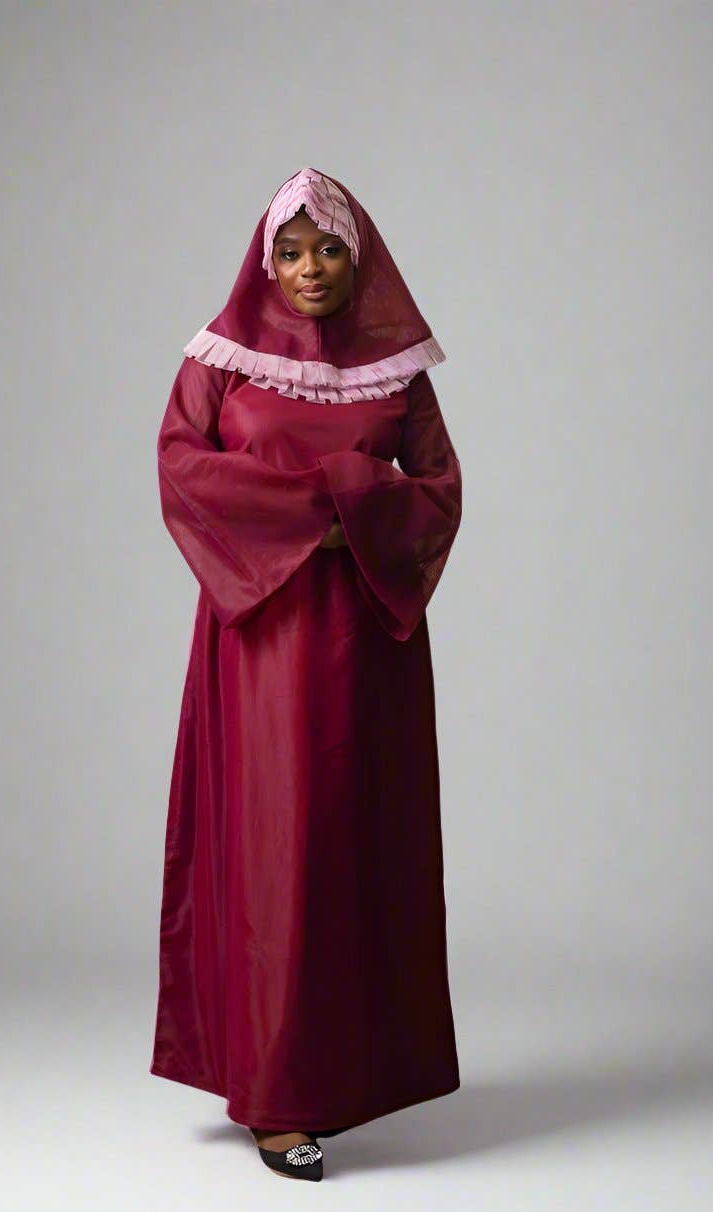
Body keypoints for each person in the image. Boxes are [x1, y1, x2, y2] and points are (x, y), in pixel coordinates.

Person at [150, 166, 463, 1182]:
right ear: (265, 263)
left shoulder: (396, 374)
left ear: (358, 262)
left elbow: (438, 488)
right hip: (262, 638)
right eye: (290, 252)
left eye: (329, 249)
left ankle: (347, 1071)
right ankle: (276, 1092)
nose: (310, 269)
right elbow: (183, 469)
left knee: (349, 846)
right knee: (274, 850)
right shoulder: (219, 361)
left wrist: (348, 511)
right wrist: (332, 507)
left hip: (367, 641)